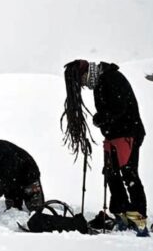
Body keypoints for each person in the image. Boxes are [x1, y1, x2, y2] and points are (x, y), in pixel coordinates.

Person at [62, 60, 148, 235]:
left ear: (87, 74)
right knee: (112, 174)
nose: (84, 86)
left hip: (128, 133)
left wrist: (100, 119)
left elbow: (119, 107)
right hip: (116, 135)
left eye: (83, 81)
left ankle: (138, 218)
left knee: (128, 174)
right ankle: (122, 213)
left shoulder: (111, 78)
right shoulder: (101, 82)